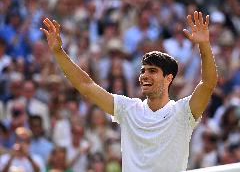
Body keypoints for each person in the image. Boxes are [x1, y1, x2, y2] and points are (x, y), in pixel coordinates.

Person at [40, 11, 217, 171]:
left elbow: (208, 83)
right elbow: (86, 86)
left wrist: (204, 45)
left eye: (152, 71)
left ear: (169, 78)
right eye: (143, 71)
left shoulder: (183, 112)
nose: (144, 76)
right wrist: (58, 52)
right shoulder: (127, 108)